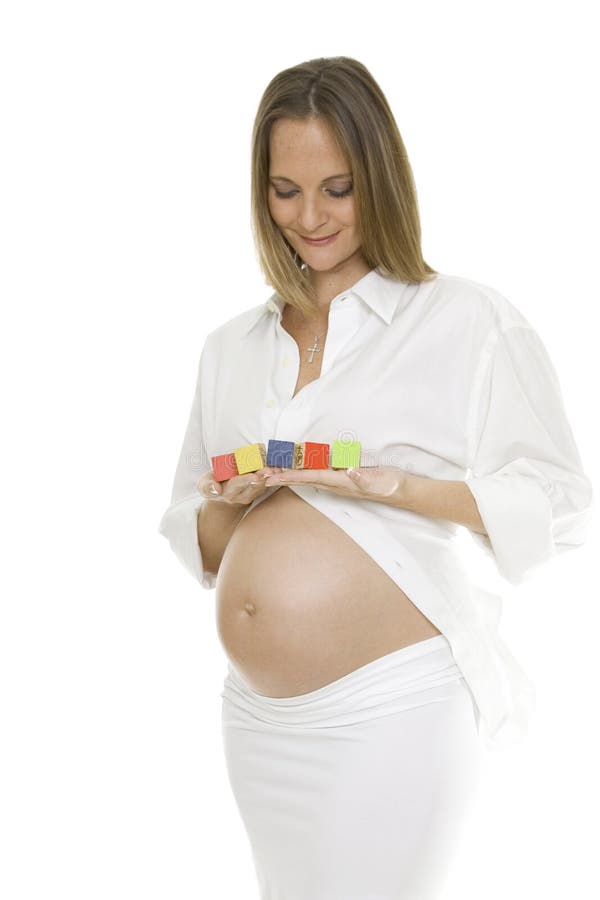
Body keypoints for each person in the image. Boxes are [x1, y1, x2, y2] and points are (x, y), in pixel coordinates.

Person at [157, 56, 593, 900]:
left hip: (396, 709)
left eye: (339, 187)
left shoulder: (463, 318)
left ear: (382, 180)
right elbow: (198, 535)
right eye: (284, 189)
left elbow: (566, 504)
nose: (310, 216)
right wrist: (233, 504)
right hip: (256, 719)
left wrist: (402, 488)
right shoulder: (231, 348)